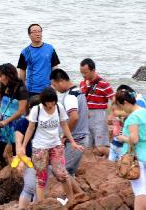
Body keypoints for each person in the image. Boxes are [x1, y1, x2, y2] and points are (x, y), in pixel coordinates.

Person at [20, 86, 83, 206]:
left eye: (53, 101)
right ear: (43, 101)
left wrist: (73, 142)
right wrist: (23, 146)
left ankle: (71, 201)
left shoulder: (59, 108)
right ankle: (42, 204)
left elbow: (64, 125)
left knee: (62, 174)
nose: (51, 105)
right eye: (49, 102)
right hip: (39, 147)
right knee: (41, 178)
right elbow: (30, 128)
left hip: (56, 145)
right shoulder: (36, 110)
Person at [114, 88, 146, 210]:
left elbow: (134, 139)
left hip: (137, 157)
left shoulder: (133, 117)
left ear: (126, 103)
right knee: (144, 187)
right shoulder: (144, 112)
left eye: (121, 106)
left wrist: (121, 137)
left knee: (139, 191)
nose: (122, 110)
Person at [50, 69, 88, 198]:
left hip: (77, 138)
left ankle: (79, 195)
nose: (55, 89)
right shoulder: (79, 91)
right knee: (69, 171)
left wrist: (65, 136)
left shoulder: (70, 96)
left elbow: (74, 117)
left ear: (60, 81)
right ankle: (75, 197)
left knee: (60, 170)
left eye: (54, 85)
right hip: (82, 136)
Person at [0, 63, 28, 161]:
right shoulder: (3, 87)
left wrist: (6, 121)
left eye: (0, 76)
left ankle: (16, 168)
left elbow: (21, 111)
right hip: (1, 121)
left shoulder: (21, 89)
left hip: (15, 123)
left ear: (8, 75)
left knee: (15, 146)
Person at [78, 58, 114, 150]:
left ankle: (111, 159)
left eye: (85, 72)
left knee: (100, 146)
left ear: (93, 70)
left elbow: (114, 100)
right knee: (87, 146)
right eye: (81, 72)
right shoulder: (82, 84)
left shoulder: (104, 84)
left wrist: (111, 115)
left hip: (99, 116)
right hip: (85, 117)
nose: (83, 75)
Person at [17, 24, 60, 95]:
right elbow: (22, 71)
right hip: (31, 89)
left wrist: (54, 85)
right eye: (34, 32)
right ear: (29, 35)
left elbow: (55, 68)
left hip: (48, 88)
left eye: (39, 31)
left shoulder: (50, 48)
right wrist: (22, 88)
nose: (38, 34)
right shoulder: (25, 52)